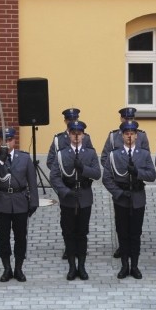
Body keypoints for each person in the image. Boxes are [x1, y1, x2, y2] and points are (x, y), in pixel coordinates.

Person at [102, 119, 156, 279]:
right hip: (122, 198)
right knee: (123, 232)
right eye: (127, 134)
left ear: (137, 136)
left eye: (132, 134)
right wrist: (118, 193)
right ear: (122, 136)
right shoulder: (114, 155)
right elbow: (107, 178)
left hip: (138, 197)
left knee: (135, 233)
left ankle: (135, 265)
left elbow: (152, 175)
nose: (130, 136)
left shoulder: (144, 154)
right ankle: (124, 265)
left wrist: (138, 173)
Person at [49, 120, 102, 281]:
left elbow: (97, 174)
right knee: (69, 232)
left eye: (79, 134)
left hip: (84, 196)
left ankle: (82, 266)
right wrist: (65, 191)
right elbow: (54, 176)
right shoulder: (62, 153)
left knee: (82, 233)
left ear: (84, 135)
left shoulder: (90, 153)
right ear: (69, 135)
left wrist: (83, 169)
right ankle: (72, 266)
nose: (77, 136)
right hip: (69, 197)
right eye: (73, 133)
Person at [0, 127, 38, 282]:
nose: (7, 143)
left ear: (14, 140)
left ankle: (18, 268)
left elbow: (32, 181)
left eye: (9, 140)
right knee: (3, 237)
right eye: (3, 140)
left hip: (20, 200)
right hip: (2, 200)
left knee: (21, 236)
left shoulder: (24, 158)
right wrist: (1, 159)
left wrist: (34, 202)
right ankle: (7, 268)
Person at [46, 108, 95, 172]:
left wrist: (84, 171)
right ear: (65, 121)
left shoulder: (85, 138)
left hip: (82, 177)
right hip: (63, 178)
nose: (73, 122)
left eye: (75, 119)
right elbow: (50, 161)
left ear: (77, 120)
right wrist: (61, 172)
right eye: (70, 120)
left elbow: (92, 158)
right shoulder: (58, 139)